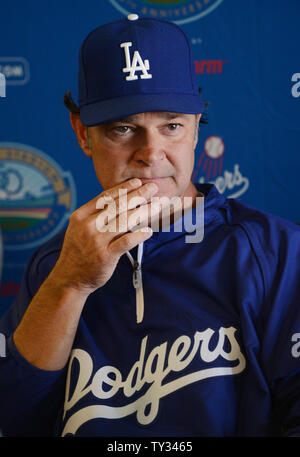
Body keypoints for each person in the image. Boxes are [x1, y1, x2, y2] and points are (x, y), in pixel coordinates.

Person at [0, 14, 300, 438]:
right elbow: (13, 421)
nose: (151, 153)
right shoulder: (53, 266)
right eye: (123, 129)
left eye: (172, 125)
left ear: (197, 127)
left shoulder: (277, 252)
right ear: (83, 134)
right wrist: (69, 284)